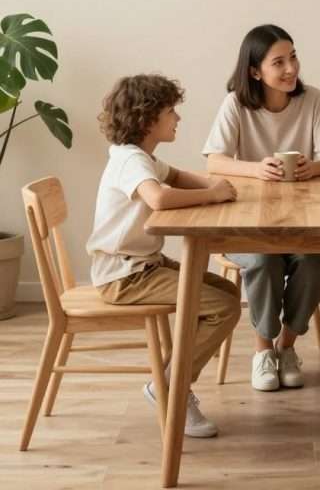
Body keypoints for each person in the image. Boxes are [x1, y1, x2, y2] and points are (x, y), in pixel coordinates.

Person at [86, 73, 241, 438]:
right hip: (124, 276)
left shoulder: (142, 157)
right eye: (171, 111)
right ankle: (169, 388)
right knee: (223, 307)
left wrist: (213, 184)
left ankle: (170, 380)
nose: (178, 118)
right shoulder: (130, 161)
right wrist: (213, 195)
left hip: (141, 266)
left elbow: (179, 176)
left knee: (227, 293)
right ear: (147, 118)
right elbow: (159, 198)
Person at [204, 23, 320, 392]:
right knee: (264, 260)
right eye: (278, 62)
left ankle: (286, 347)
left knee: (315, 262)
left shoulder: (312, 99)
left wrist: (313, 167)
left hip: (304, 219)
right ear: (255, 71)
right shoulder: (236, 103)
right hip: (248, 221)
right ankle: (262, 350)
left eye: (293, 57)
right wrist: (255, 168)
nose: (291, 69)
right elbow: (214, 161)